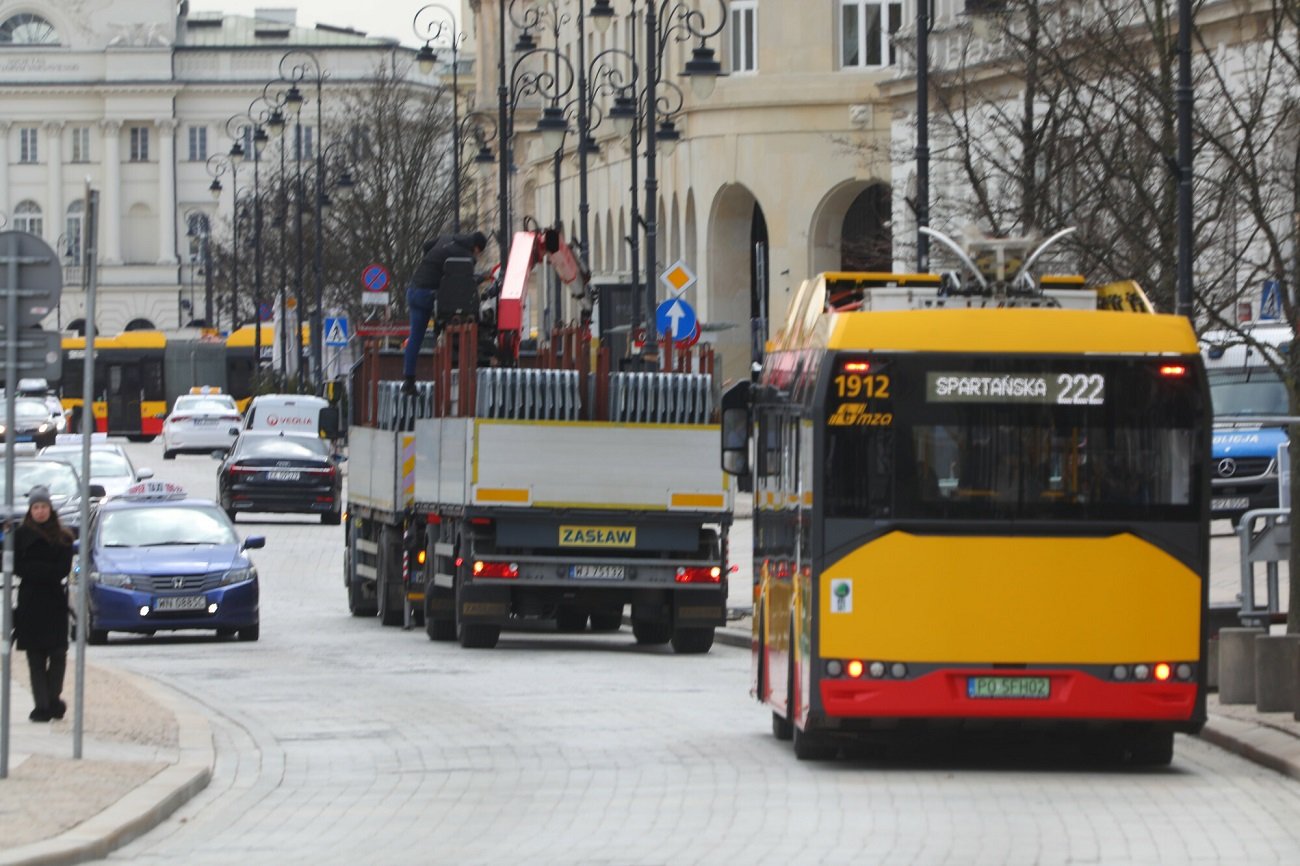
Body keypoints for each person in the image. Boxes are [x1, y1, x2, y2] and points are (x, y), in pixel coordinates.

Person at [13, 485, 75, 723]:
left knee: (58, 653)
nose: (40, 511)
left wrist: (35, 570)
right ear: (30, 510)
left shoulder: (63, 537)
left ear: (50, 509)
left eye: (43, 507)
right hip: (30, 603)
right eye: (36, 507)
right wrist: (41, 571)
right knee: (35, 658)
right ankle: (43, 706)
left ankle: (52, 699)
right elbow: (17, 566)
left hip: (54, 602)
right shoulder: (19, 537)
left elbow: (62, 570)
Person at [402, 230, 489, 396]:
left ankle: (409, 382)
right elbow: (464, 282)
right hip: (427, 294)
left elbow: (426, 246)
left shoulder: (446, 238)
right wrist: (482, 278)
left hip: (414, 290)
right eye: (480, 252)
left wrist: (433, 266)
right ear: (477, 248)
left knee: (415, 338)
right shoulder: (466, 256)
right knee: (447, 327)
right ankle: (447, 378)